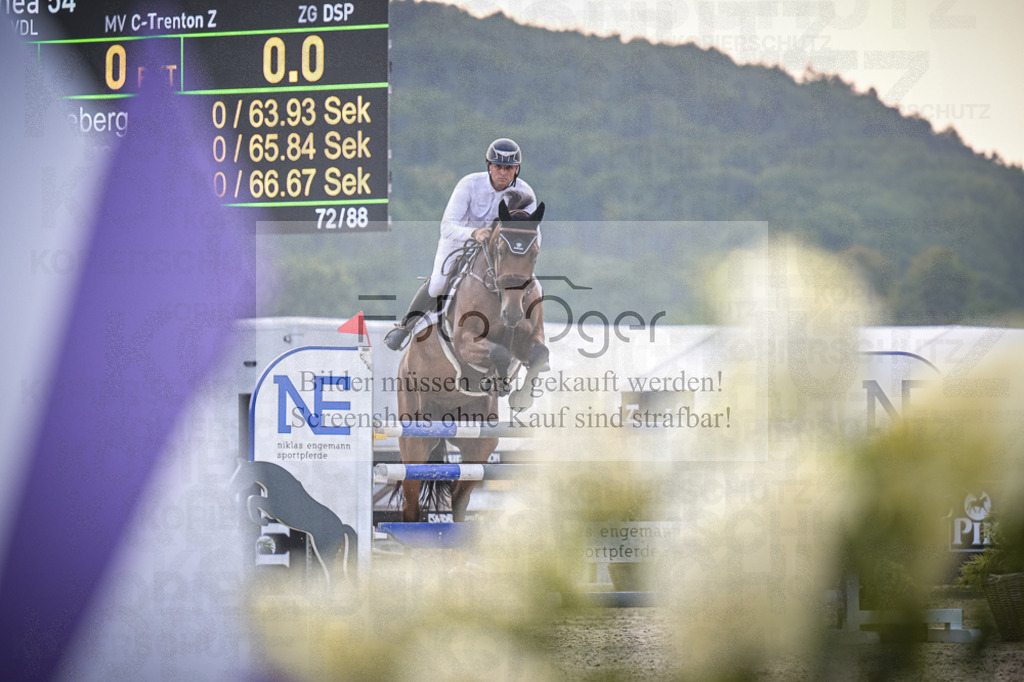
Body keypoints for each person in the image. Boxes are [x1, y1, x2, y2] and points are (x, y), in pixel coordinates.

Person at [384, 138, 538, 351]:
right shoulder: (469, 184)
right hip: (460, 240)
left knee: (534, 285)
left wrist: (525, 254)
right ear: (489, 166)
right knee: (438, 283)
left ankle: (535, 337)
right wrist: (473, 233)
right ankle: (405, 327)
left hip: (502, 250)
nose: (503, 172)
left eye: (509, 168)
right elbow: (447, 226)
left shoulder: (526, 192)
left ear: (517, 169)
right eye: (498, 166)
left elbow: (533, 232)